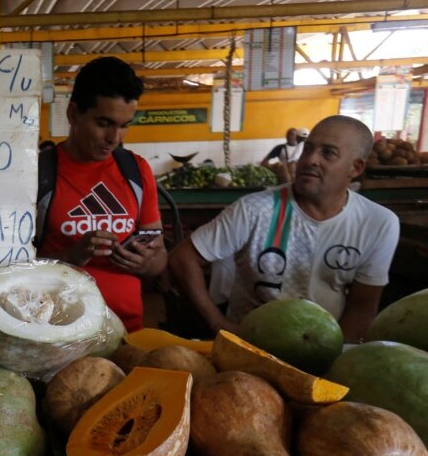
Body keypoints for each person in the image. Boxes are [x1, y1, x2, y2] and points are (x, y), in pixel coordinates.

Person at [168, 115, 399, 343]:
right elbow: (182, 258)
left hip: (322, 348)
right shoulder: (255, 209)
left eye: (328, 153)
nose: (310, 160)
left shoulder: (378, 223)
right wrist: (218, 324)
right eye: (308, 149)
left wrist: (339, 357)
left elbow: (362, 305)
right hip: (250, 346)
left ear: (356, 168)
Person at [35, 56, 167, 332]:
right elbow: (12, 268)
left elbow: (160, 259)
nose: (115, 138)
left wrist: (146, 262)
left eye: (125, 125)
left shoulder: (136, 171)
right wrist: (72, 256)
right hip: (58, 332)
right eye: (104, 123)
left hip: (128, 331)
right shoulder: (40, 174)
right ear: (73, 114)